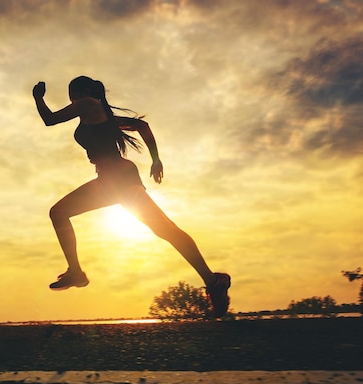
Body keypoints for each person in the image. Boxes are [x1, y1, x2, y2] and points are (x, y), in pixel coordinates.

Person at [32, 75, 231, 317]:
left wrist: (38, 98)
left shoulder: (86, 104)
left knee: (60, 213)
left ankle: (76, 272)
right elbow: (142, 126)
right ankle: (213, 281)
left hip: (116, 180)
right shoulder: (101, 113)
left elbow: (50, 120)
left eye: (71, 95)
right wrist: (155, 159)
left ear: (79, 93)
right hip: (112, 180)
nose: (72, 101)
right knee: (165, 230)